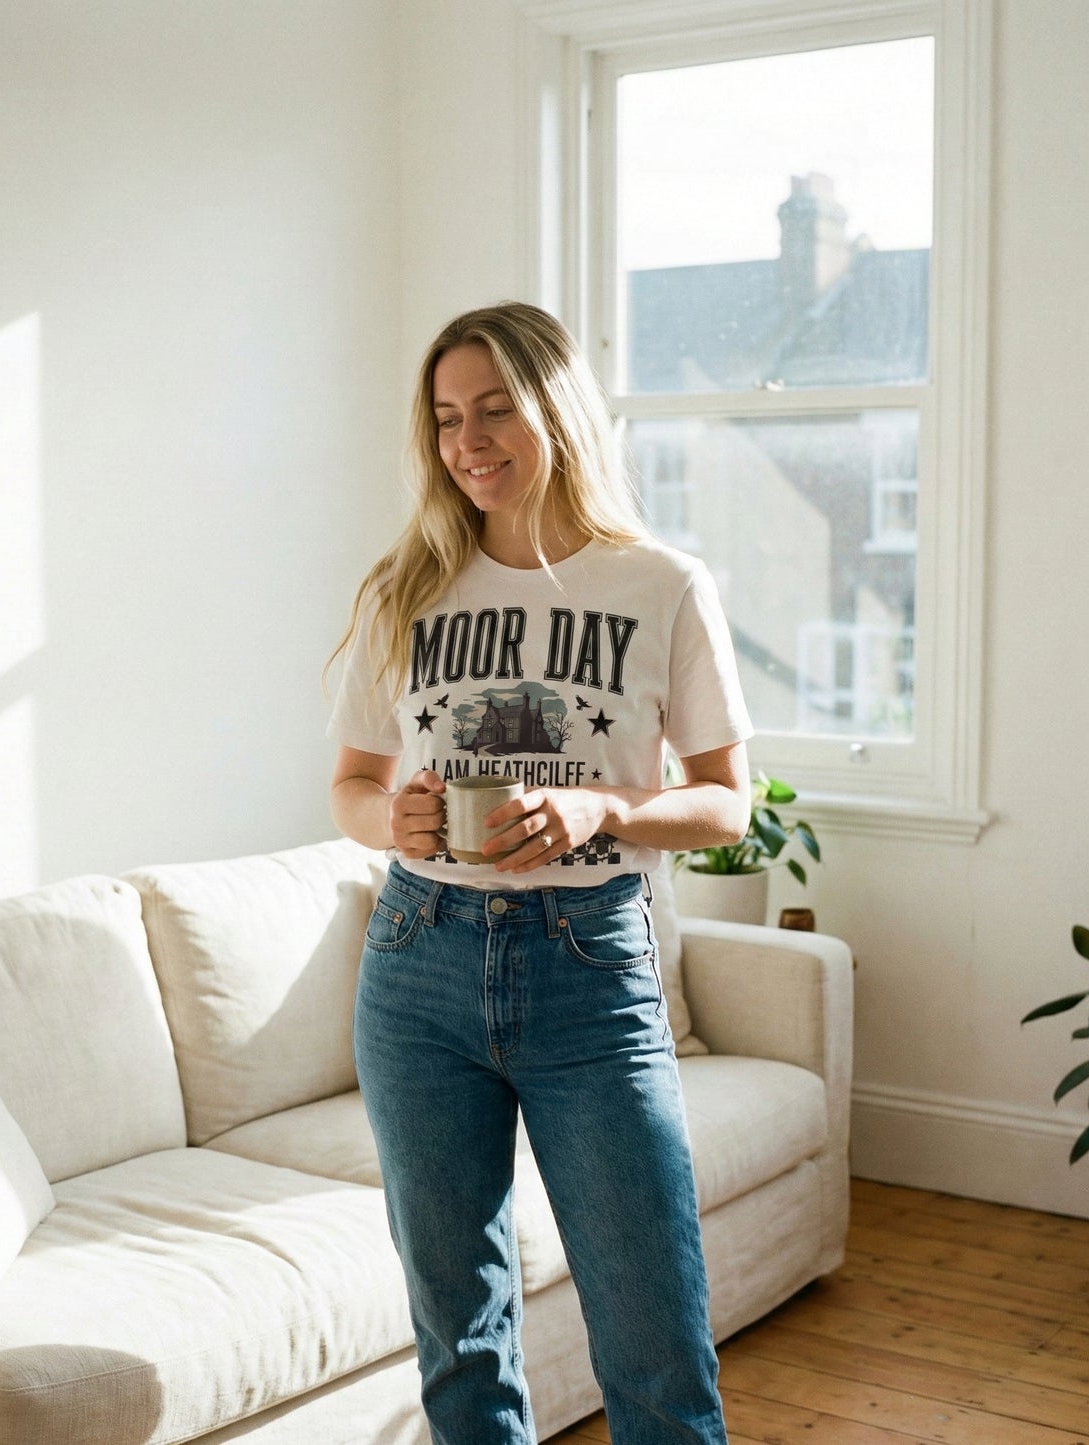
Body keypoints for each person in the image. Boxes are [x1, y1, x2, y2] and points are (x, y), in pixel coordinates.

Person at [327, 301, 751, 1445]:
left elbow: (728, 800)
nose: (467, 442)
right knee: (458, 1333)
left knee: (653, 1337)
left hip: (587, 966)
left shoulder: (658, 583)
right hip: (416, 960)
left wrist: (605, 806)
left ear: (555, 411)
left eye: (494, 409)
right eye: (445, 418)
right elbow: (352, 784)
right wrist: (393, 818)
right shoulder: (405, 588)